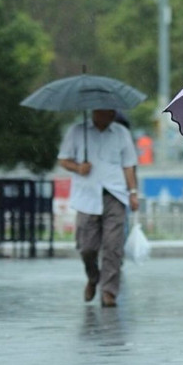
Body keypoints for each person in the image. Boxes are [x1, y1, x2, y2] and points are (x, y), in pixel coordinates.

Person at [58, 109, 139, 306]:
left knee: (113, 246)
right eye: (105, 110)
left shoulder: (121, 133)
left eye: (112, 111)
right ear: (95, 111)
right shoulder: (77, 132)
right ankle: (93, 277)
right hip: (87, 196)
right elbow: (63, 159)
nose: (109, 114)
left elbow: (128, 165)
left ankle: (109, 292)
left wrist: (133, 192)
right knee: (87, 247)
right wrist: (78, 168)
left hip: (115, 195)